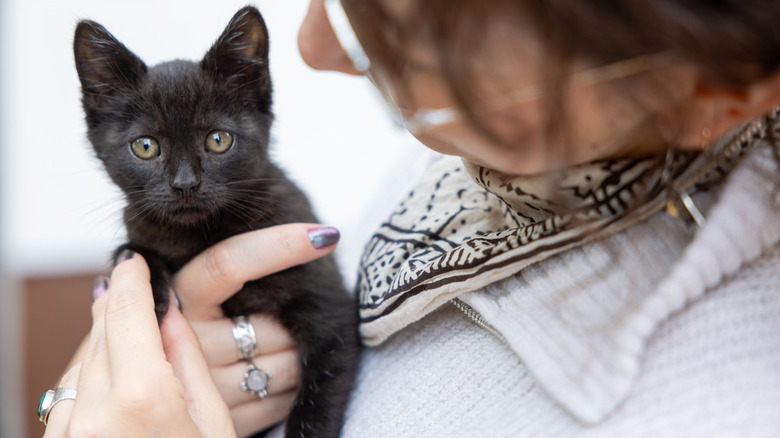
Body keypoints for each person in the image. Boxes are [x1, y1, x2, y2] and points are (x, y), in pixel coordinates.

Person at [42, 0, 780, 436]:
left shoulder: (720, 406)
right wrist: (85, 395)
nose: (317, 46)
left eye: (420, 32)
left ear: (712, 90)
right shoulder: (458, 175)